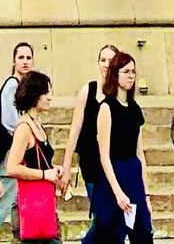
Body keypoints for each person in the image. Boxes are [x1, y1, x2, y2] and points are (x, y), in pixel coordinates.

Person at [58, 45, 117, 238]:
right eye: (103, 60)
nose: (106, 65)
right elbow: (74, 130)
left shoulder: (120, 92)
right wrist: (66, 167)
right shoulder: (88, 90)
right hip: (91, 162)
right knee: (102, 217)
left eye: (111, 60)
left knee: (113, 218)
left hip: (116, 161)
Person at [93, 55, 150, 244]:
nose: (131, 76)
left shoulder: (135, 109)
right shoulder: (106, 108)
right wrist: (118, 193)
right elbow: (104, 155)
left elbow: (139, 153)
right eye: (126, 71)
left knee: (142, 232)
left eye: (133, 71)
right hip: (114, 175)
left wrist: (146, 194)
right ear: (115, 75)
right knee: (108, 234)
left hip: (133, 173)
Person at [4, 76, 57, 244]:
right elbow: (11, 168)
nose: (49, 97)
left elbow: (39, 161)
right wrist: (44, 174)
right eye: (45, 92)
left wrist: (55, 171)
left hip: (44, 204)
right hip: (31, 206)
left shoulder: (37, 123)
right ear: (34, 95)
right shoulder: (24, 128)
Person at [0, 44, 33, 232]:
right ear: (14, 61)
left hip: (16, 151)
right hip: (10, 152)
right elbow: (9, 121)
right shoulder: (12, 85)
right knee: (2, 203)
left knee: (16, 201)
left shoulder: (24, 87)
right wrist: (26, 138)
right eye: (21, 57)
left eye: (28, 57)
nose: (25, 61)